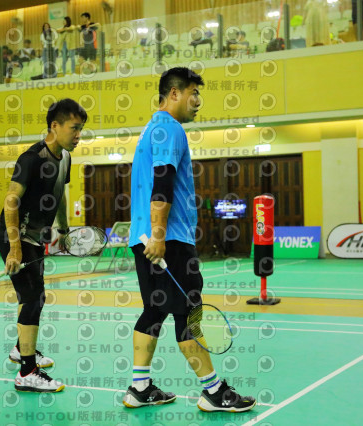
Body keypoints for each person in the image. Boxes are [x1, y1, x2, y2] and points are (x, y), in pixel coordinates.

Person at [125, 67, 256, 412]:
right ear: (174, 93)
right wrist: (159, 235)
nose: (198, 101)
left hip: (145, 237)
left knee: (153, 311)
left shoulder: (151, 129)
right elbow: (163, 181)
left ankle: (139, 388)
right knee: (189, 313)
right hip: (168, 240)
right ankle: (213, 391)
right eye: (193, 93)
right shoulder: (169, 128)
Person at [0, 98, 87, 392]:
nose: (78, 135)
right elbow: (11, 201)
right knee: (32, 297)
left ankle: (20, 349)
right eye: (74, 128)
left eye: (81, 129)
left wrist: (64, 229)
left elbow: (59, 195)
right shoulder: (32, 158)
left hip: (35, 238)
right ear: (54, 126)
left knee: (35, 296)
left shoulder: (66, 158)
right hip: (16, 236)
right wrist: (14, 248)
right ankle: (27, 372)